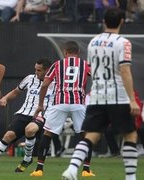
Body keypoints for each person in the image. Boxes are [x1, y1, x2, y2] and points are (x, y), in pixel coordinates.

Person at [62, 7, 140, 180]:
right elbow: (125, 71)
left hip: (97, 95)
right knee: (130, 134)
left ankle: (72, 169)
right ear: (122, 21)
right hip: (117, 95)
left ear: (104, 21)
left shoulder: (93, 42)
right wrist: (131, 99)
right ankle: (130, 177)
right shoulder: (123, 42)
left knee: (92, 134)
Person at [0, 58, 55, 173]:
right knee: (8, 135)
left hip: (42, 114)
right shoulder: (29, 79)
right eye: (35, 69)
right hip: (24, 112)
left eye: (39, 70)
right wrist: (5, 99)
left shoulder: (56, 83)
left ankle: (27, 158)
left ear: (47, 70)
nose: (36, 72)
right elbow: (16, 91)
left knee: (30, 130)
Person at [30, 41, 91, 177]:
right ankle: (86, 170)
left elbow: (45, 84)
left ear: (65, 52)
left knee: (48, 134)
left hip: (59, 102)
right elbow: (97, 78)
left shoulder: (57, 64)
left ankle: (39, 168)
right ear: (78, 52)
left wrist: (40, 104)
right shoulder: (85, 64)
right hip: (78, 103)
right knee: (86, 135)